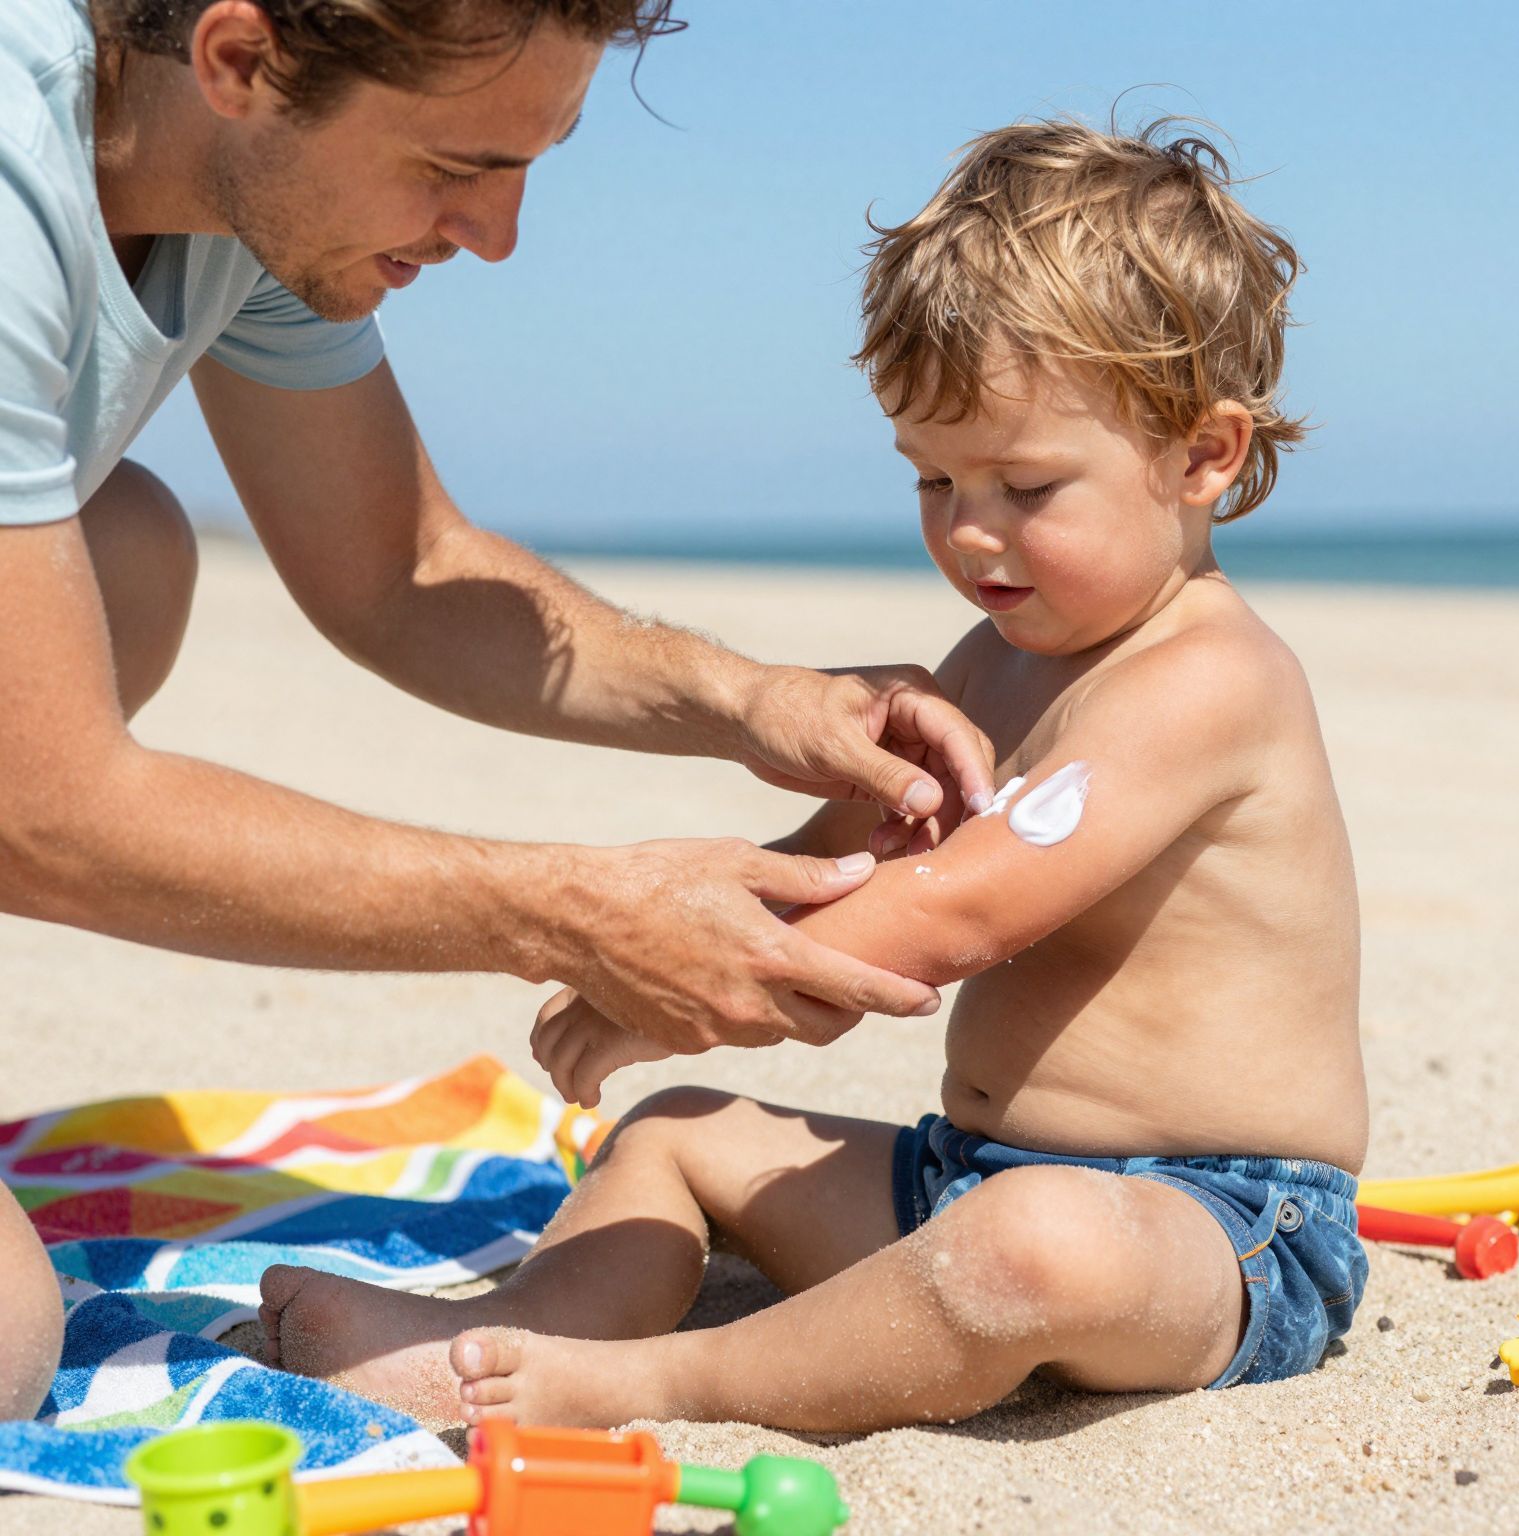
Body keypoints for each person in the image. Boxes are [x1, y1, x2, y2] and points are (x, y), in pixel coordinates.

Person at [258, 117, 1372, 1433]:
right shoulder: (990, 658)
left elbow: (959, 909)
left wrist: (685, 995)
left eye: (1026, 485)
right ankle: (506, 1344)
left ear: (1205, 455)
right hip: (963, 1175)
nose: (968, 529)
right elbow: (851, 856)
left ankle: (668, 1381)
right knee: (677, 1134)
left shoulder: (1209, 679)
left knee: (1030, 1249)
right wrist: (678, 934)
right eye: (933, 477)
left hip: (1218, 1227)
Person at [0, 1, 996, 1420]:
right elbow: (47, 815)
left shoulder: (250, 193)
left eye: (529, 164)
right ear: (237, 61)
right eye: (453, 164)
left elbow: (403, 571)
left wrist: (757, 701)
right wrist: (571, 909)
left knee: (125, 550)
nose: (497, 234)